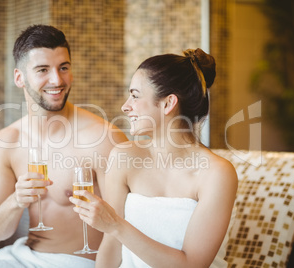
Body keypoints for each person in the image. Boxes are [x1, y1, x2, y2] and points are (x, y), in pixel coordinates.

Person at [0, 25, 127, 268]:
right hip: (18, 256)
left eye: (64, 67)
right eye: (43, 70)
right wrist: (16, 201)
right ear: (19, 77)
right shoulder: (7, 142)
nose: (57, 80)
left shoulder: (102, 138)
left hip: (72, 261)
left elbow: (121, 230)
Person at [69, 48, 238, 267]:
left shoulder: (216, 174)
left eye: (135, 96)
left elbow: (192, 265)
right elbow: (111, 247)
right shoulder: (124, 157)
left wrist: (116, 225)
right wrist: (113, 229)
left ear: (168, 103)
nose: (125, 106)